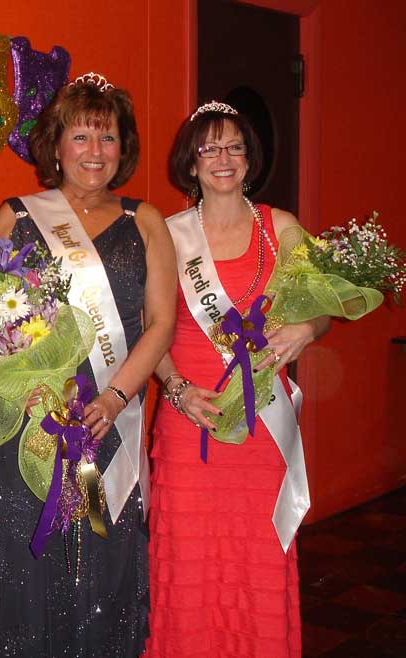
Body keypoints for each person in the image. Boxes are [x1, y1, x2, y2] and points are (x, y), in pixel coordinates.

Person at [0, 74, 177, 658]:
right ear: (56, 146)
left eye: (108, 138)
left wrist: (114, 398)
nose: (95, 152)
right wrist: (30, 385)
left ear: (124, 148)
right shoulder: (16, 216)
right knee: (27, 551)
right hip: (32, 420)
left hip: (106, 415)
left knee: (102, 544)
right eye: (82, 136)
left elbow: (161, 322)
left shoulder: (146, 221)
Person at [145, 101, 330, 658]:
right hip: (189, 420)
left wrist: (306, 329)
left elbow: (323, 307)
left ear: (250, 161)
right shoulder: (168, 233)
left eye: (234, 148)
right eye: (209, 148)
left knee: (256, 559)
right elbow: (149, 330)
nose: (222, 159)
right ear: (191, 161)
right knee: (190, 559)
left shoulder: (282, 228)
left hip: (260, 431)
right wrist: (176, 388)